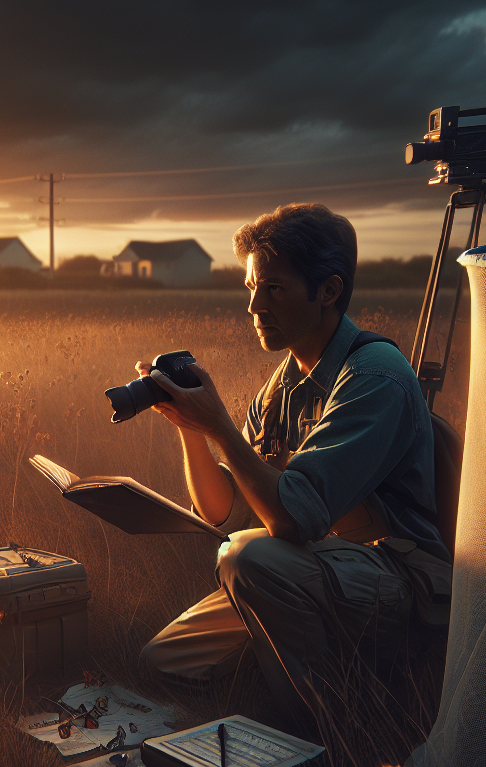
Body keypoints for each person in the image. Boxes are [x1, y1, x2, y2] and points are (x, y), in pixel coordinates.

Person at [138, 202, 452, 716]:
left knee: (247, 557)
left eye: (274, 289)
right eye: (251, 288)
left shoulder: (375, 375)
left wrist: (218, 422)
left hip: (398, 574)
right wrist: (190, 426)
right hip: (313, 568)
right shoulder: (282, 384)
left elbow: (288, 520)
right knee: (165, 662)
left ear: (328, 291)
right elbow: (224, 513)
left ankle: (329, 729)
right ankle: (282, 683)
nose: (254, 307)